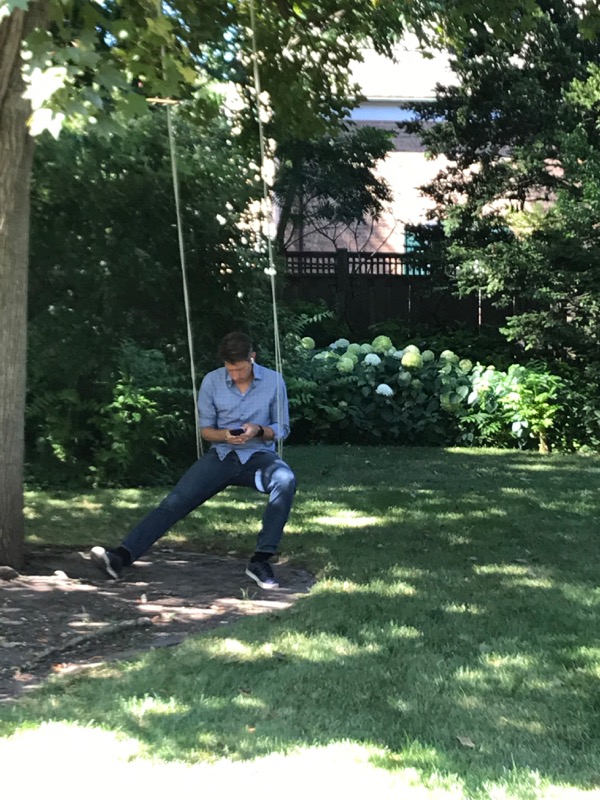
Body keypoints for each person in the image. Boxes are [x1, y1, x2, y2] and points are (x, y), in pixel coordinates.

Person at [90, 331, 296, 589]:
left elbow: (282, 428)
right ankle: (121, 557)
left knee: (285, 480)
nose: (234, 375)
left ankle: (261, 560)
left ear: (252, 358)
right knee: (174, 503)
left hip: (259, 457)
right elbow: (206, 431)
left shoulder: (274, 381)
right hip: (221, 456)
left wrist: (258, 430)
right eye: (230, 369)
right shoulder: (212, 381)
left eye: (240, 369)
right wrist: (225, 435)